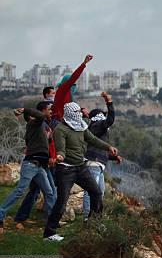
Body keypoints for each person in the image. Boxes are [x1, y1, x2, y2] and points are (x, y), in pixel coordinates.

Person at [14, 55, 93, 225]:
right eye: (73, 86)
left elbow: (73, 110)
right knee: (47, 182)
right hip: (57, 130)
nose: (74, 89)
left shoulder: (69, 99)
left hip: (59, 131)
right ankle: (43, 218)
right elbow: (72, 78)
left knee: (43, 185)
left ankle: (31, 216)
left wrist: (82, 110)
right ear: (67, 85)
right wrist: (83, 65)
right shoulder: (63, 92)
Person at [43, 102, 118, 241]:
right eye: (76, 112)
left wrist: (108, 147)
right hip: (66, 169)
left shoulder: (82, 126)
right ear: (70, 113)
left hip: (80, 167)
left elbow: (93, 139)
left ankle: (93, 223)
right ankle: (49, 234)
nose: (80, 113)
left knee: (96, 193)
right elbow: (61, 148)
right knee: (62, 201)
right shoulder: (61, 130)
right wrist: (59, 156)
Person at [0, 102, 56, 234]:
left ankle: (52, 221)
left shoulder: (42, 127)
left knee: (49, 192)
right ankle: (1, 214)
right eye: (49, 109)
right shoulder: (33, 124)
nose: (51, 112)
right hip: (31, 164)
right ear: (31, 117)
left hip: (40, 166)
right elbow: (40, 117)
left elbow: (46, 144)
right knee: (20, 190)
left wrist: (49, 139)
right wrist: (25, 109)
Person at [82, 92, 122, 219]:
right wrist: (109, 102)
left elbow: (99, 149)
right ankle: (87, 218)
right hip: (93, 164)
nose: (105, 118)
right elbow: (110, 120)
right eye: (102, 115)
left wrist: (114, 157)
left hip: (98, 164)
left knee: (99, 192)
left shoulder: (96, 128)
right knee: (91, 192)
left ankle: (94, 217)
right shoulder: (98, 126)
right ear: (98, 117)